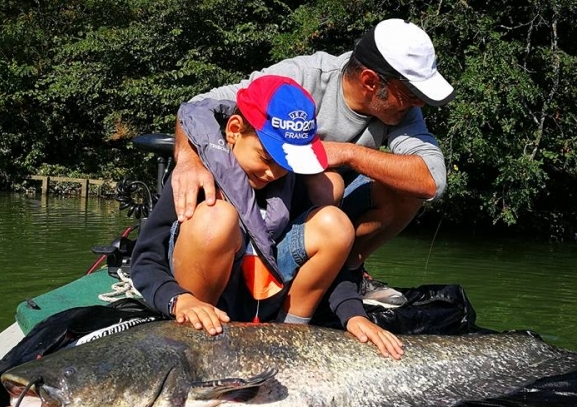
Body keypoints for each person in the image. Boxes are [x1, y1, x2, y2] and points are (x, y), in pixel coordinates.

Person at [170, 19, 455, 308]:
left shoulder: (402, 112)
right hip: (275, 206)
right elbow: (199, 106)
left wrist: (348, 154)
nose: (418, 105)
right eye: (411, 95)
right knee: (329, 184)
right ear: (370, 81)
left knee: (404, 189)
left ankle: (348, 274)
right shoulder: (303, 76)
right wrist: (189, 160)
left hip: (330, 214)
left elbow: (432, 181)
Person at [131, 75, 404, 359]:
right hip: (198, 300)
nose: (273, 173)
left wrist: (353, 314)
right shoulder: (194, 176)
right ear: (235, 131)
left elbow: (338, 268)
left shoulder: (292, 179)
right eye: (266, 157)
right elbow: (146, 259)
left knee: (334, 222)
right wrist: (178, 300)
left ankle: (290, 333)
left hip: (264, 295)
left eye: (285, 163)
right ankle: (196, 338)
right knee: (216, 216)